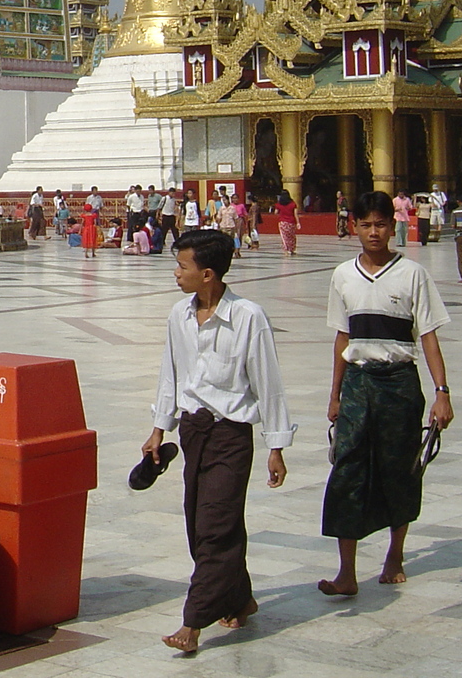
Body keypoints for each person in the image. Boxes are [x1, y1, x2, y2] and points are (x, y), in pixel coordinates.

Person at [146, 229, 293, 654]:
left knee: (217, 524)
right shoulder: (179, 316)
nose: (176, 274)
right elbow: (170, 374)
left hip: (231, 434)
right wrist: (160, 428)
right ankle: (239, 598)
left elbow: (269, 384)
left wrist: (276, 447)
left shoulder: (249, 317)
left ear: (207, 273)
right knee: (199, 521)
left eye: (182, 267)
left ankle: (193, 623)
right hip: (194, 432)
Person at [318, 191, 453, 597]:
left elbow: (427, 335)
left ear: (391, 226)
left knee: (401, 467)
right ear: (353, 227)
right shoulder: (343, 275)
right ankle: (347, 571)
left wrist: (441, 391)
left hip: (399, 382)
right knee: (347, 468)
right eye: (366, 224)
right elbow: (342, 336)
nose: (374, 232)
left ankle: (395, 554)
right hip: (359, 380)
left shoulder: (412, 274)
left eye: (380, 224)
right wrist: (335, 393)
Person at [277, 189, 299, 256]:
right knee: (292, 236)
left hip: (282, 222)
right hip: (291, 222)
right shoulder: (293, 204)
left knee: (284, 237)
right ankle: (291, 249)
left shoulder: (279, 204)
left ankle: (286, 250)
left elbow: (276, 212)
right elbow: (295, 214)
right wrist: (298, 222)